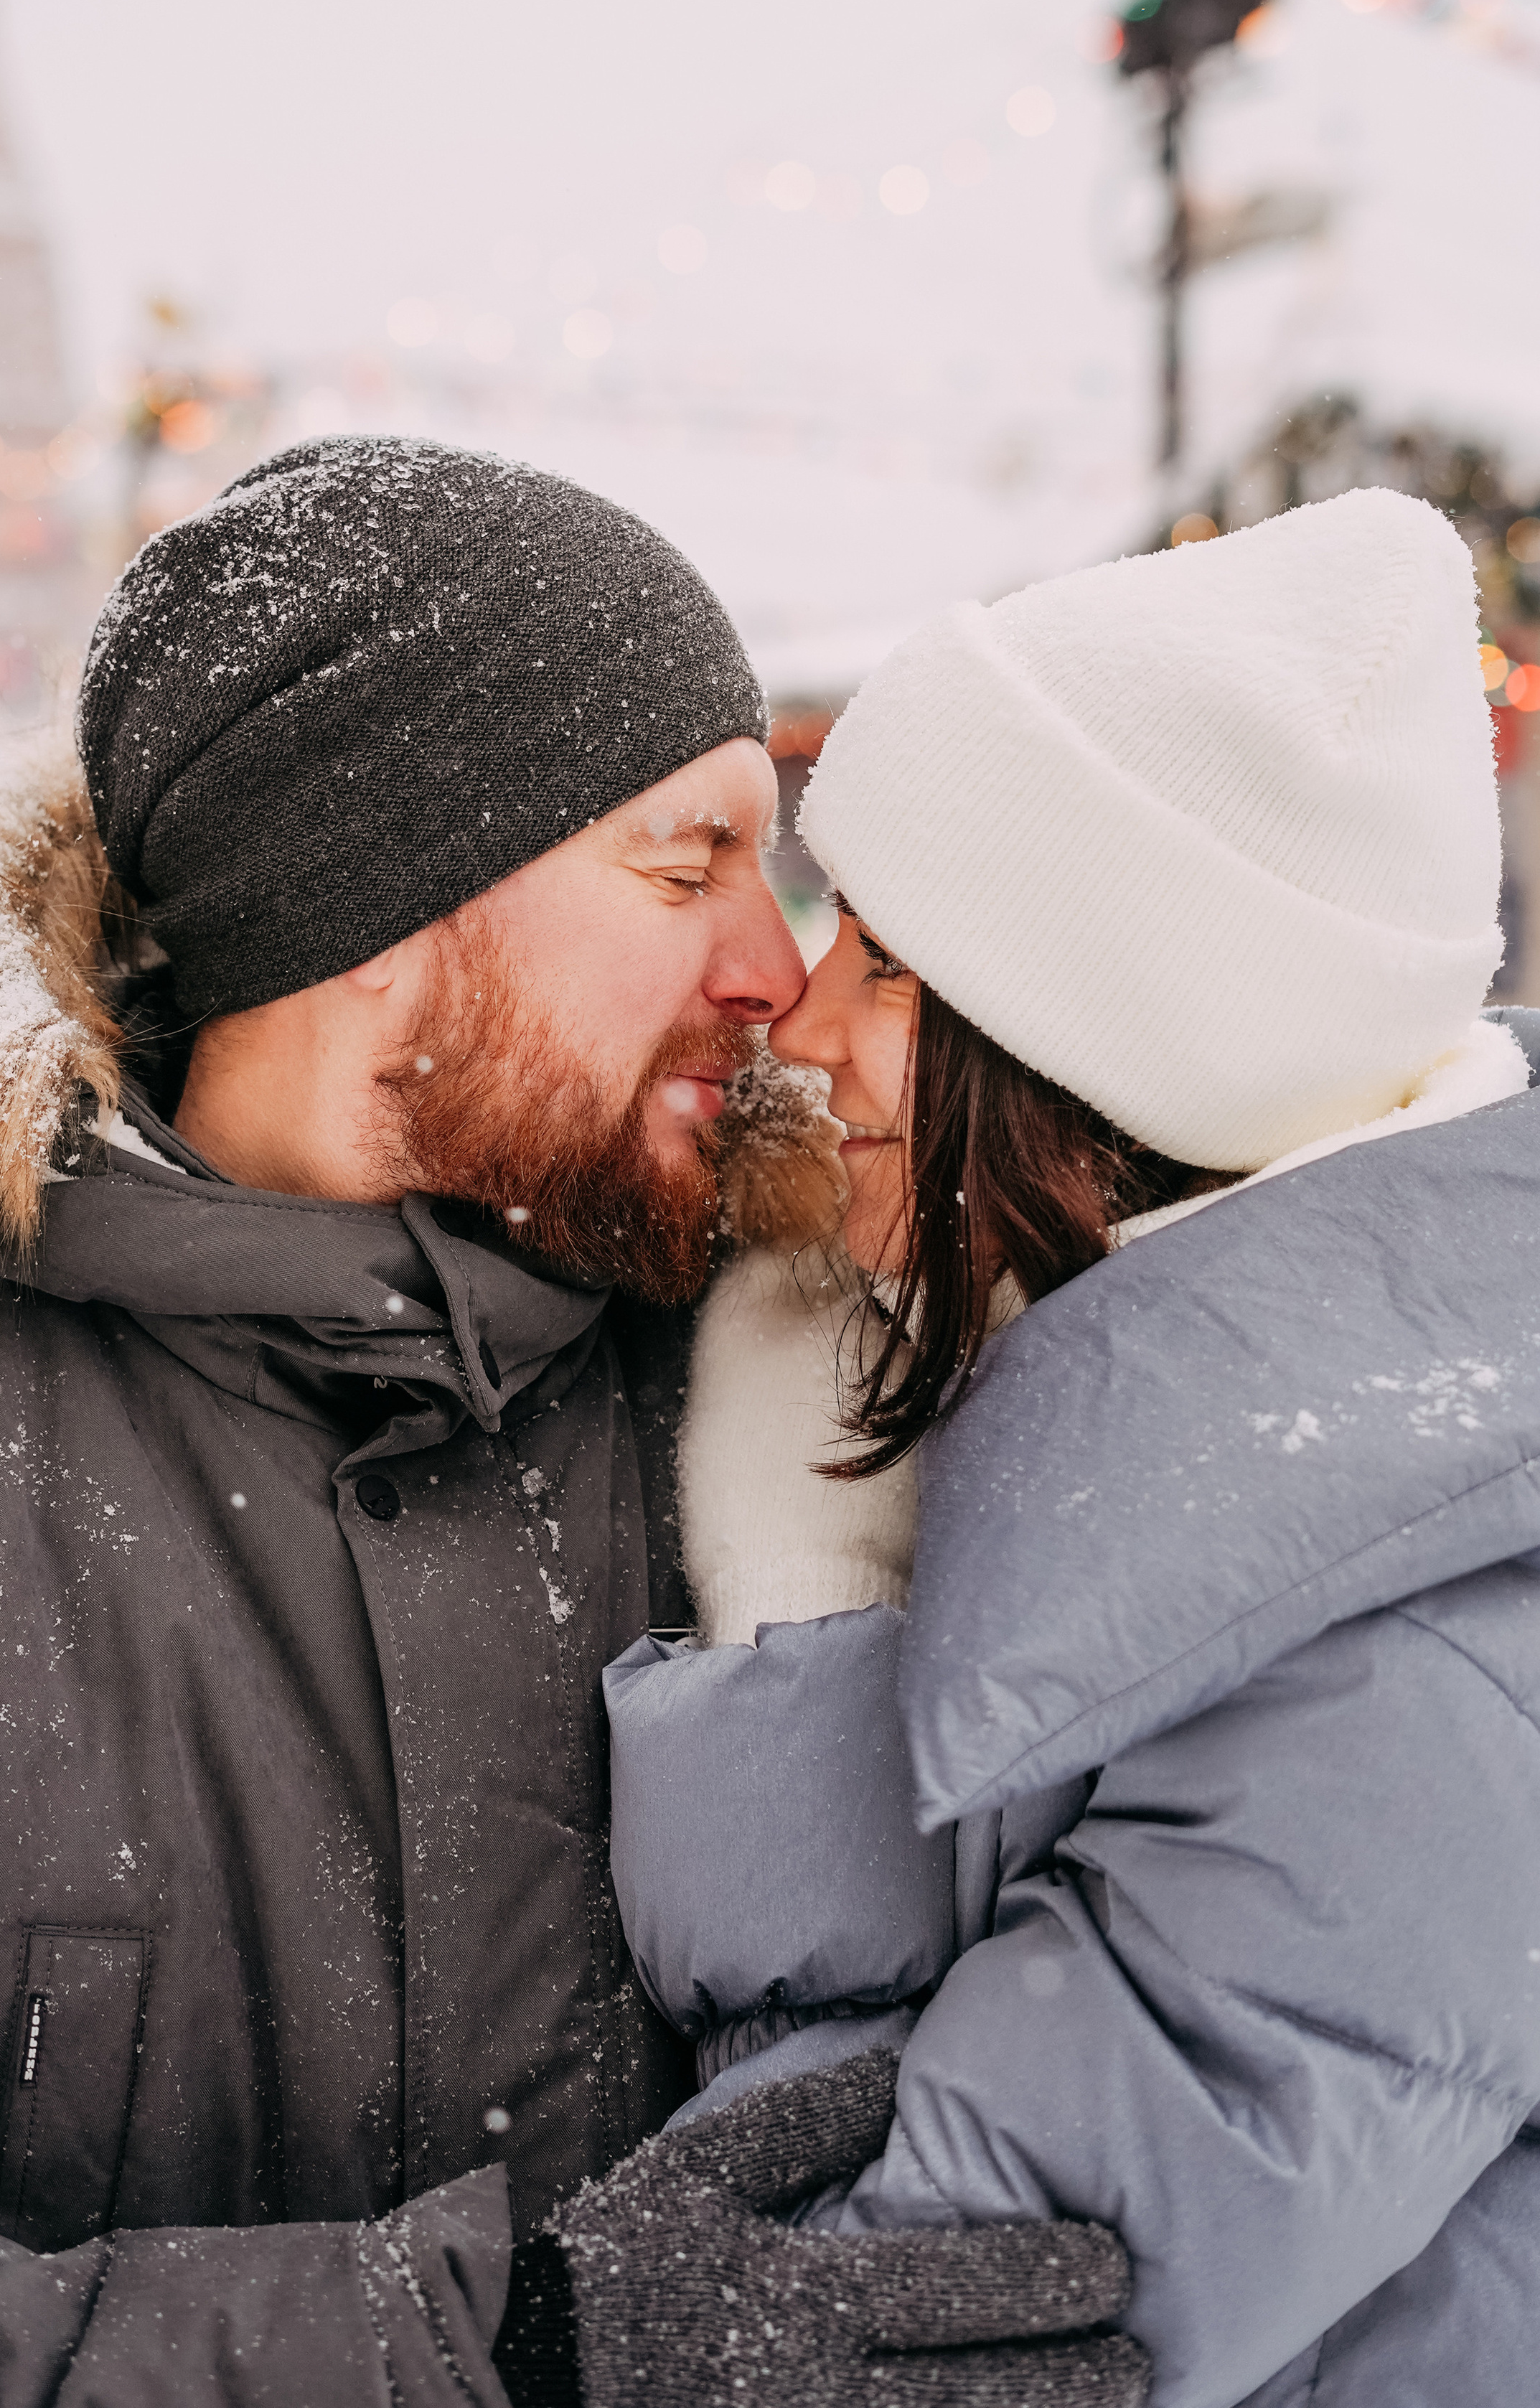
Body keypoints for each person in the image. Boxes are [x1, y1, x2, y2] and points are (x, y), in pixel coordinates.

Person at [0, 436, 1139, 2408]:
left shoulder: (841, 1406)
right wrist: (507, 2354)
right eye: (687, 860)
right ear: (379, 911)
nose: (777, 965)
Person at [603, 485, 1540, 2407]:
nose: (805, 1014)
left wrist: (529, 2331)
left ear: (1084, 1042)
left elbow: (951, 2311)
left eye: (881, 955)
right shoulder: (1025, 1412)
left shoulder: (1414, 1668)